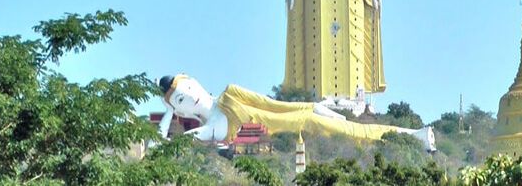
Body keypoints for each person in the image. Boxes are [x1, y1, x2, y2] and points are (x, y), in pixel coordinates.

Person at [155, 74, 436, 152]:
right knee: (356, 134)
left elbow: (272, 105)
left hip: (303, 118)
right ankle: (414, 136)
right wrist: (168, 113)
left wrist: (311, 106)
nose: (191, 95)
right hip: (299, 134)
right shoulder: (210, 127)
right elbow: (171, 142)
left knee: (357, 131)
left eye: (189, 86)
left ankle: (415, 135)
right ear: (179, 108)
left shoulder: (231, 92)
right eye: (181, 99)